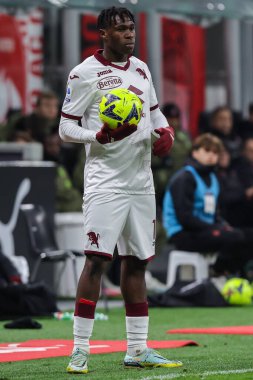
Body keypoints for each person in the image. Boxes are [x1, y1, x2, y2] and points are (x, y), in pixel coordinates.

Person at [59, 6, 182, 374]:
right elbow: (66, 128)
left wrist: (167, 134)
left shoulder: (142, 68)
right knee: (97, 260)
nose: (129, 34)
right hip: (105, 183)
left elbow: (155, 113)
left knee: (138, 262)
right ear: (102, 34)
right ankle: (79, 350)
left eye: (131, 28)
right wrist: (96, 135)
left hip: (141, 183)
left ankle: (138, 349)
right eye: (121, 29)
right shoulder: (83, 74)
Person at [162, 133, 253, 275]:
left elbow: (215, 213)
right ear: (195, 152)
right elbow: (184, 217)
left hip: (205, 230)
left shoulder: (213, 177)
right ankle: (217, 271)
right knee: (234, 238)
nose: (211, 156)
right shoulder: (185, 177)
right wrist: (215, 227)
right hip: (183, 233)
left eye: (215, 153)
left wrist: (222, 225)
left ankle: (223, 271)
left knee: (248, 235)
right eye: (207, 151)